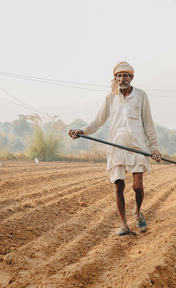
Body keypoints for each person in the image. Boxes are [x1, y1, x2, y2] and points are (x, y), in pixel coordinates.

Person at [69, 61, 161, 236]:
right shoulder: (110, 97)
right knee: (118, 186)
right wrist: (82, 130)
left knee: (137, 186)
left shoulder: (141, 95)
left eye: (125, 75)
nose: (122, 79)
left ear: (131, 77)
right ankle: (124, 225)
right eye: (118, 76)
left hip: (137, 146)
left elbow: (148, 123)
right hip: (116, 146)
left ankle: (137, 212)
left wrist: (154, 147)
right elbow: (98, 121)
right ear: (115, 78)